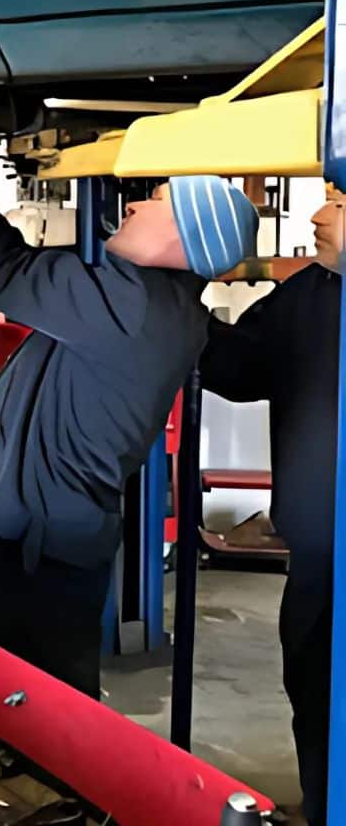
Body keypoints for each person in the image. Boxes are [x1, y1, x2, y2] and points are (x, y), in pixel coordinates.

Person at [0, 157, 258, 699]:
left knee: (27, 699)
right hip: (49, 528)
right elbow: (22, 268)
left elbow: (1, 270)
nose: (133, 204)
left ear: (183, 238)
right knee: (44, 687)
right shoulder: (155, 301)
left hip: (38, 537)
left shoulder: (132, 303)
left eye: (156, 201)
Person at [199, 188, 345, 826]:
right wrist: (176, 301)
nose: (315, 216)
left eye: (338, 203)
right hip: (318, 562)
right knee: (314, 696)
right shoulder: (313, 292)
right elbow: (238, 368)